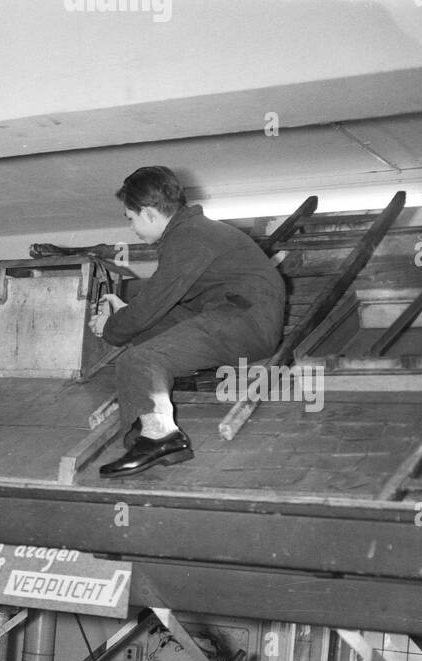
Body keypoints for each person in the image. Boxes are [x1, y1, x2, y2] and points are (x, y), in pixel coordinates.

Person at [89, 166, 285, 478]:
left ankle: (160, 436)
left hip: (244, 322)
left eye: (130, 217)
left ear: (150, 213)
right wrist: (123, 312)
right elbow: (155, 307)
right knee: (142, 333)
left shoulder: (190, 237)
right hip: (233, 314)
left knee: (139, 359)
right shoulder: (192, 232)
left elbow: (151, 303)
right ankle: (155, 395)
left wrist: (110, 327)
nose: (131, 227)